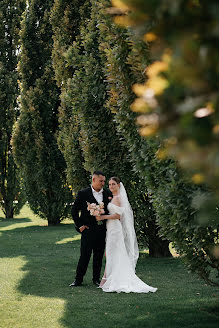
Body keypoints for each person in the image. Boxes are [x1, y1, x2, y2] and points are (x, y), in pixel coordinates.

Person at [96, 177, 157, 293]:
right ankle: (106, 279)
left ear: (119, 185)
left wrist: (103, 217)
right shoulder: (113, 197)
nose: (111, 186)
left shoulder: (118, 198)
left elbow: (118, 216)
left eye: (113, 184)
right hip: (111, 228)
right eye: (109, 184)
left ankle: (106, 280)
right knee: (111, 253)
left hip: (115, 229)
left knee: (111, 253)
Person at [69, 171, 113, 287]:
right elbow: (74, 210)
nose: (103, 183)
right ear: (94, 180)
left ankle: (96, 279)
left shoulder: (108, 193)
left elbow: (111, 211)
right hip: (88, 230)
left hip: (102, 230)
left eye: (104, 181)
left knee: (98, 256)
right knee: (84, 256)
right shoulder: (83, 193)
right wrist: (80, 226)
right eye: (101, 181)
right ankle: (78, 280)